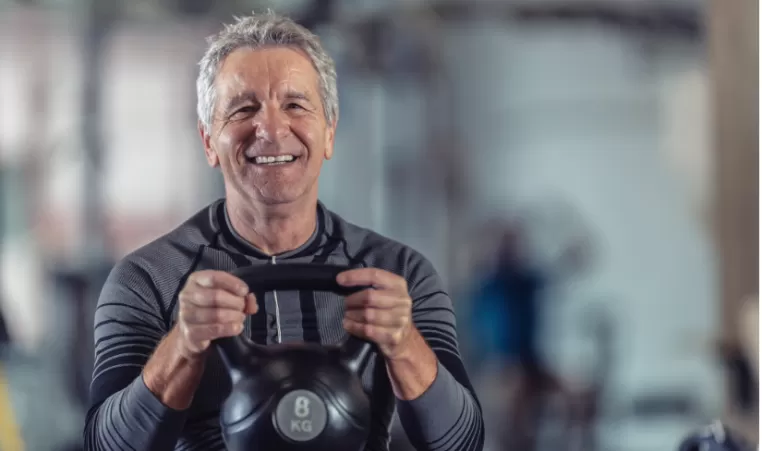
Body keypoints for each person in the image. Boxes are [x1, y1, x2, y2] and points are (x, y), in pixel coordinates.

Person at [82, 11, 484, 451]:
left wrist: (404, 343)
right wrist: (182, 345)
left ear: (329, 133)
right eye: (243, 108)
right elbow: (106, 446)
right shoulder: (147, 280)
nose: (271, 129)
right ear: (207, 141)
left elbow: (462, 442)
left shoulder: (400, 274)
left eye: (295, 105)